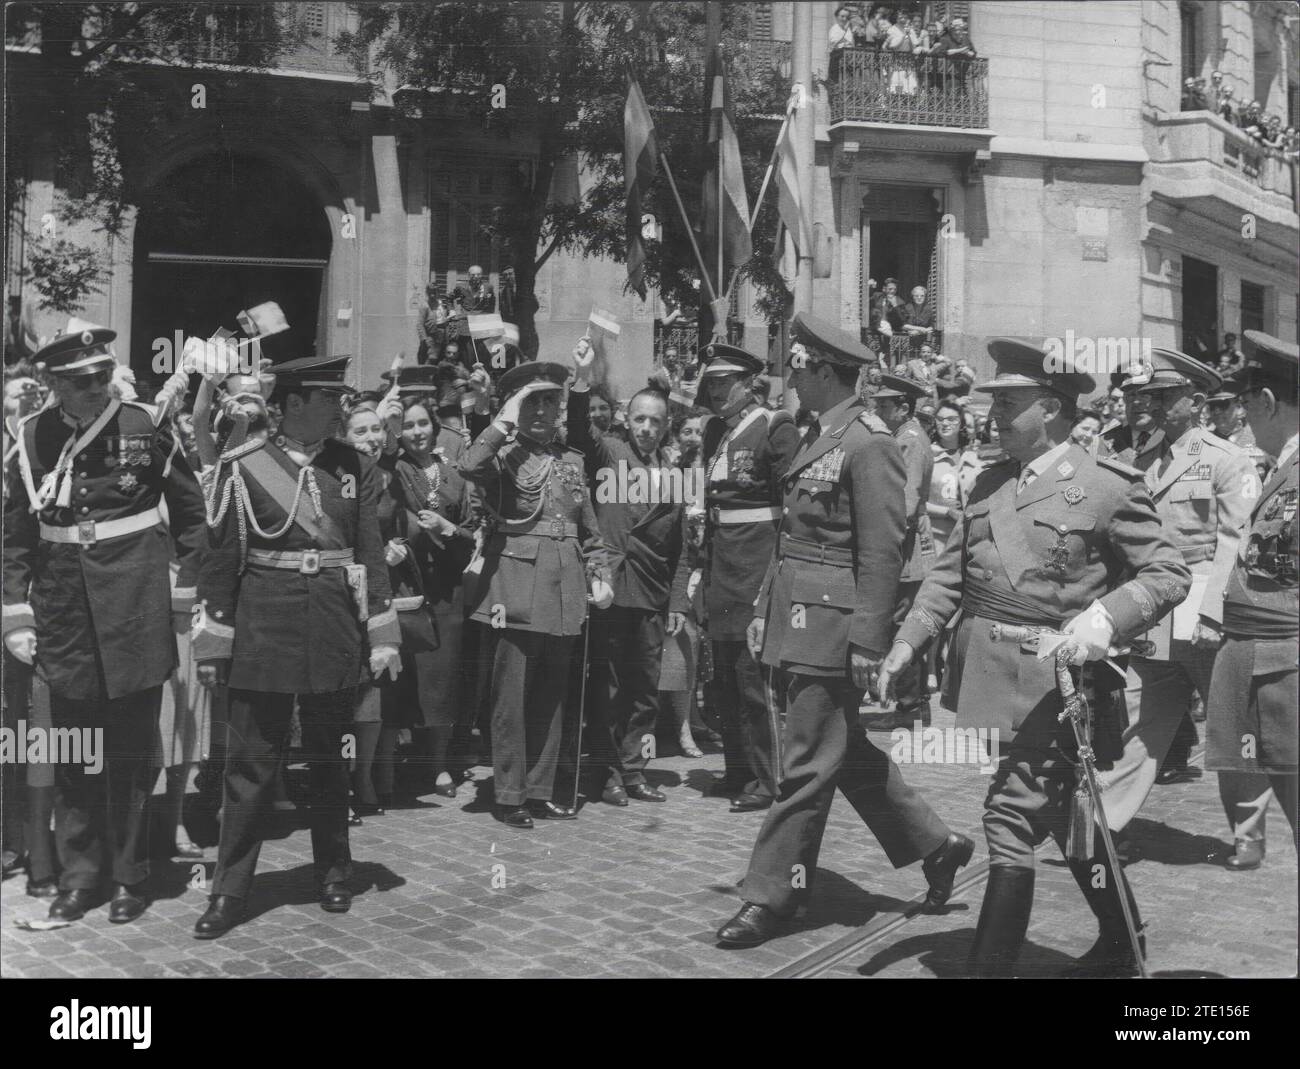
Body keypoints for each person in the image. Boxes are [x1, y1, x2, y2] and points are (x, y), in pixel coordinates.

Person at [879, 338, 1190, 978]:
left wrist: (1102, 620)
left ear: (1049, 408)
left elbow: (1168, 572)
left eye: (1010, 403)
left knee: (1010, 814)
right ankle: (1122, 941)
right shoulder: (990, 481)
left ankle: (989, 966)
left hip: (1055, 679)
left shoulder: (1106, 486)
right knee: (1062, 808)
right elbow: (947, 578)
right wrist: (907, 643)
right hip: (991, 679)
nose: (992, 415)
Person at [715, 313, 973, 948]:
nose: (792, 374)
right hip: (796, 615)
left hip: (832, 627)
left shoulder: (868, 442)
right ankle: (938, 847)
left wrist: (867, 642)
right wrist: (763, 612)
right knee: (839, 750)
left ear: (828, 372)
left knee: (803, 762)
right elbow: (792, 541)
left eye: (801, 364)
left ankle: (771, 895)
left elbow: (883, 552)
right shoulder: (815, 435)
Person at [190, 354, 402, 938]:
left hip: (333, 630)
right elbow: (221, 562)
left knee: (331, 761)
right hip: (263, 633)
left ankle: (334, 869)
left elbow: (369, 553)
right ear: (289, 407)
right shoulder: (244, 465)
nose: (341, 407)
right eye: (329, 399)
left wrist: (382, 634)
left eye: (341, 398)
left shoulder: (355, 466)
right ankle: (231, 890)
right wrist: (214, 645)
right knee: (249, 769)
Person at [3, 319, 206, 925]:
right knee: (75, 750)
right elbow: (15, 536)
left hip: (135, 606)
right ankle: (80, 874)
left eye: (100, 378)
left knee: (128, 750)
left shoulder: (144, 426)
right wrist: (16, 612)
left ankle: (129, 875)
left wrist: (183, 595)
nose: (95, 390)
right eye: (80, 382)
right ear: (54, 384)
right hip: (65, 611)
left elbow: (193, 518)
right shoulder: (33, 436)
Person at [1093, 350, 1273, 873]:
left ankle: (1247, 833)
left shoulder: (1225, 459)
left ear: (1194, 403)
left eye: (1161, 396)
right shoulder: (1130, 459)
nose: (1145, 405)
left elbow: (1235, 541)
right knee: (1135, 720)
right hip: (1151, 609)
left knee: (1229, 726)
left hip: (1206, 611)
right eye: (1140, 396)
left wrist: (1216, 609)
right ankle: (1106, 825)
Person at [458, 361, 613, 828]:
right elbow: (469, 466)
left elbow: (589, 529)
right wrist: (499, 421)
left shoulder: (573, 460)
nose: (544, 410)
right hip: (515, 586)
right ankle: (509, 793)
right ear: (515, 407)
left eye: (551, 400)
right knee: (511, 695)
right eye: (533, 401)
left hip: (564, 589)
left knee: (552, 694)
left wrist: (599, 571)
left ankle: (541, 788)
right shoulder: (503, 455)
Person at [568, 349, 686, 806]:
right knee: (608, 689)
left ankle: (634, 771)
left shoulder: (674, 476)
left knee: (644, 691)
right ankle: (608, 773)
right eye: (640, 419)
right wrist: (582, 378)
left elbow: (680, 550)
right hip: (611, 588)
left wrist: (677, 602)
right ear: (627, 420)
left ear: (665, 425)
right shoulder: (611, 453)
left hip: (652, 594)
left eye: (655, 422)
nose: (647, 429)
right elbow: (581, 430)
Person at [696, 341, 802, 813]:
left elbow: (792, 509)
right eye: (712, 384)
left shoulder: (775, 427)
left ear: (749, 384)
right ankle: (737, 769)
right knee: (724, 678)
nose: (717, 392)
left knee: (753, 678)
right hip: (721, 565)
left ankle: (766, 779)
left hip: (756, 563)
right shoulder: (717, 430)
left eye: (726, 383)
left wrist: (777, 572)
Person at [1207, 331, 1298, 857]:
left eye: (1244, 405)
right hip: (1269, 666)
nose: (1240, 419)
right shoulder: (1282, 470)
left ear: (1266, 402)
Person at [386, 394, 478, 801]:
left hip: (445, 591)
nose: (416, 432)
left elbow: (473, 534)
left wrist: (447, 528)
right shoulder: (392, 469)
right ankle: (386, 768)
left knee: (441, 681)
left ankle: (438, 766)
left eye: (423, 423)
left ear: (435, 428)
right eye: (408, 425)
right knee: (398, 678)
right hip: (402, 584)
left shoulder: (456, 477)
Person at [867, 369, 938, 730]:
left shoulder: (908, 439)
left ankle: (909, 708)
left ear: (903, 406)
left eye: (882, 405)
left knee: (901, 625)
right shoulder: (904, 435)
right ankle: (910, 704)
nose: (876, 410)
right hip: (905, 546)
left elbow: (905, 505)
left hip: (905, 549)